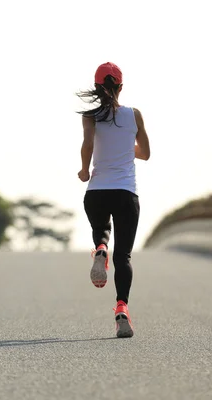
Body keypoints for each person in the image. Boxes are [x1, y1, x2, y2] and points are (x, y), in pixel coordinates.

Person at [76, 62, 150, 338]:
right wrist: (124, 147)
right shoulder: (135, 115)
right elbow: (145, 153)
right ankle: (121, 309)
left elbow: (88, 145)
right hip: (126, 193)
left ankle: (100, 248)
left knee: (101, 229)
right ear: (121, 87)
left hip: (97, 192)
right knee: (125, 256)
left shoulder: (90, 116)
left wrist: (85, 170)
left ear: (97, 88)